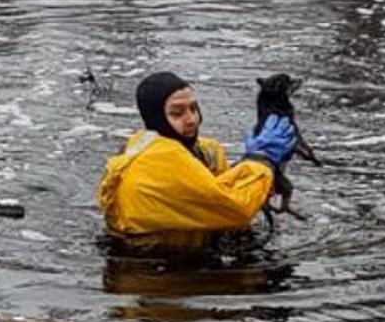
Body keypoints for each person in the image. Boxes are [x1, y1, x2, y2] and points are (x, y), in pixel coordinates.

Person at [97, 71, 296, 237]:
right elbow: (235, 209)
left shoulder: (200, 150)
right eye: (177, 113)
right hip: (155, 269)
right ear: (156, 118)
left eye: (193, 108)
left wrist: (253, 175)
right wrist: (263, 160)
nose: (191, 119)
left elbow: (216, 192)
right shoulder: (157, 161)